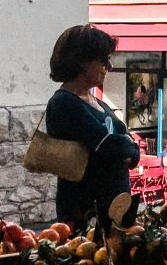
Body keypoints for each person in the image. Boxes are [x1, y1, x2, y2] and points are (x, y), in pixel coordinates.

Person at [44, 25, 140, 231]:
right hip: (87, 214)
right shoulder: (64, 103)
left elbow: (123, 139)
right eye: (104, 60)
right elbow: (109, 146)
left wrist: (127, 147)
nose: (110, 66)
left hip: (115, 208)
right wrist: (125, 147)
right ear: (83, 62)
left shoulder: (95, 101)